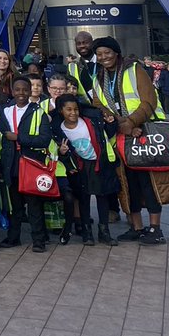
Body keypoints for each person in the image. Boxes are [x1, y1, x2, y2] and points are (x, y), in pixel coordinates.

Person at [89, 37, 169, 244]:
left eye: (107, 53)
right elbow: (98, 103)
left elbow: (149, 100)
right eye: (100, 54)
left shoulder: (134, 70)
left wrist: (131, 122)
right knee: (128, 183)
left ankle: (155, 228)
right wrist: (118, 122)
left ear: (116, 52)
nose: (104, 57)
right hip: (122, 135)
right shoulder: (99, 77)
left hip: (145, 132)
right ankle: (137, 226)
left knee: (149, 182)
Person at [0, 76, 52, 253]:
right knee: (14, 205)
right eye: (17, 89)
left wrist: (19, 138)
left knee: (34, 205)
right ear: (12, 91)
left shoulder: (38, 112)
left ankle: (39, 240)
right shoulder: (3, 112)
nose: (21, 93)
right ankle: (13, 237)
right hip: (10, 165)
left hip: (31, 164)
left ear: (30, 91)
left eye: (25, 90)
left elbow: (44, 139)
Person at [53, 94, 119, 247]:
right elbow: (58, 151)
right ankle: (87, 233)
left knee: (102, 197)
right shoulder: (59, 129)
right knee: (83, 199)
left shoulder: (90, 122)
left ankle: (104, 232)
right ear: (61, 111)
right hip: (79, 167)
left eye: (76, 109)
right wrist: (62, 152)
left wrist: (110, 124)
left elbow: (107, 134)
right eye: (68, 109)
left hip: (98, 163)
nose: (73, 113)